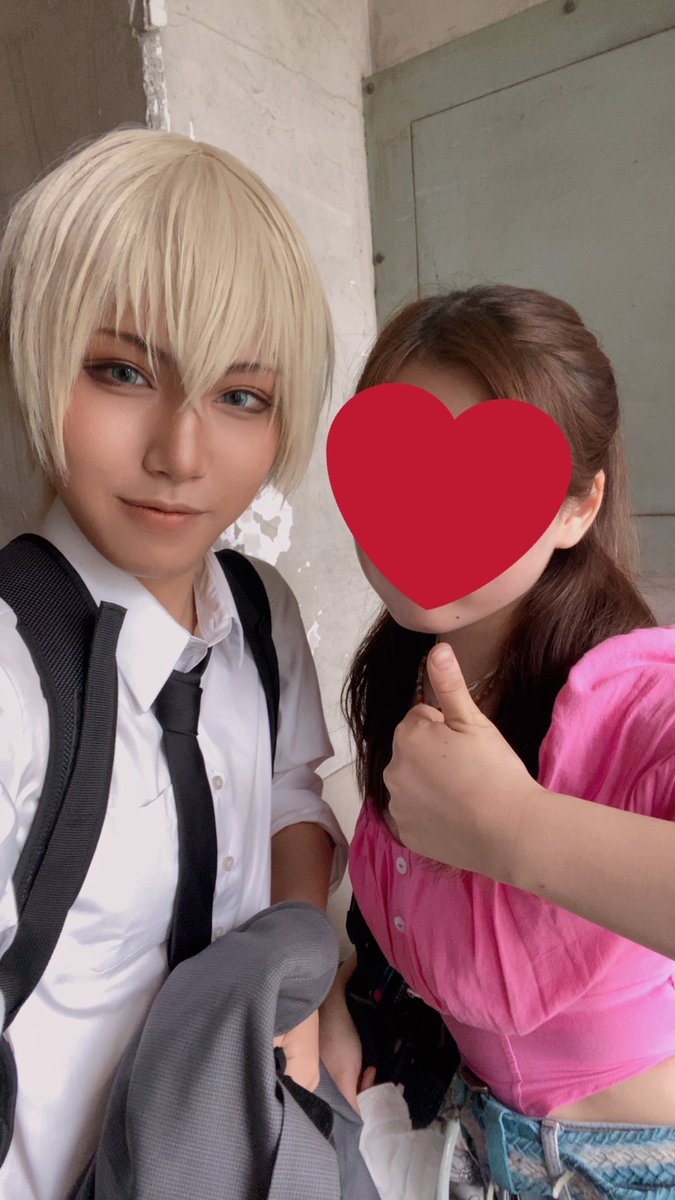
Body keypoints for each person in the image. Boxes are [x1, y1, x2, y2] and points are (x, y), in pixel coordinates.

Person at [0, 127, 347, 1200]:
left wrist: (290, 994)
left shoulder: (259, 608)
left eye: (241, 396)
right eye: (121, 372)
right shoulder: (13, 671)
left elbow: (290, 797)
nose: (181, 456)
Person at [321, 286, 675, 1197]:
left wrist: (513, 826)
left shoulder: (637, 696)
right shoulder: (406, 672)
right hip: (475, 1147)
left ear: (577, 508)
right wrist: (330, 991)